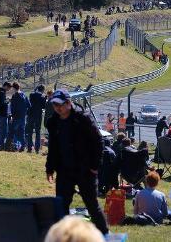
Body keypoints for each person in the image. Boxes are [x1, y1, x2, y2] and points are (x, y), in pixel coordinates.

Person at [45, 89, 108, 234]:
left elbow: (98, 141)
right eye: (54, 105)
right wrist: (50, 168)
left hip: (85, 170)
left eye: (60, 104)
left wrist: (95, 166)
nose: (57, 108)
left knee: (92, 205)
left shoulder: (83, 118)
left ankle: (105, 234)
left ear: (68, 103)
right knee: (61, 205)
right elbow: (53, 147)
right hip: (64, 170)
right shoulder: (53, 122)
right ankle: (64, 236)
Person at [10, 82, 31, 152]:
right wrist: (25, 112)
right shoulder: (24, 95)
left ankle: (14, 146)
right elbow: (29, 105)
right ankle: (23, 145)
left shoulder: (15, 96)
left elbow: (13, 107)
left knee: (13, 131)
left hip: (16, 117)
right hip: (23, 117)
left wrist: (12, 116)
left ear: (13, 88)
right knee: (22, 132)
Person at [25, 85, 46, 153]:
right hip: (38, 116)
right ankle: (37, 148)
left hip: (30, 115)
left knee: (30, 132)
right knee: (37, 132)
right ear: (43, 90)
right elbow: (43, 106)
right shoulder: (42, 97)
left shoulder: (32, 94)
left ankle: (29, 147)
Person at [0, 82, 12, 151]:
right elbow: (2, 103)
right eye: (9, 88)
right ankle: (1, 145)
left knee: (0, 130)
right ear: (6, 86)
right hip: (2, 115)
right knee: (3, 131)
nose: (9, 89)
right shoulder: (2, 93)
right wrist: (8, 100)